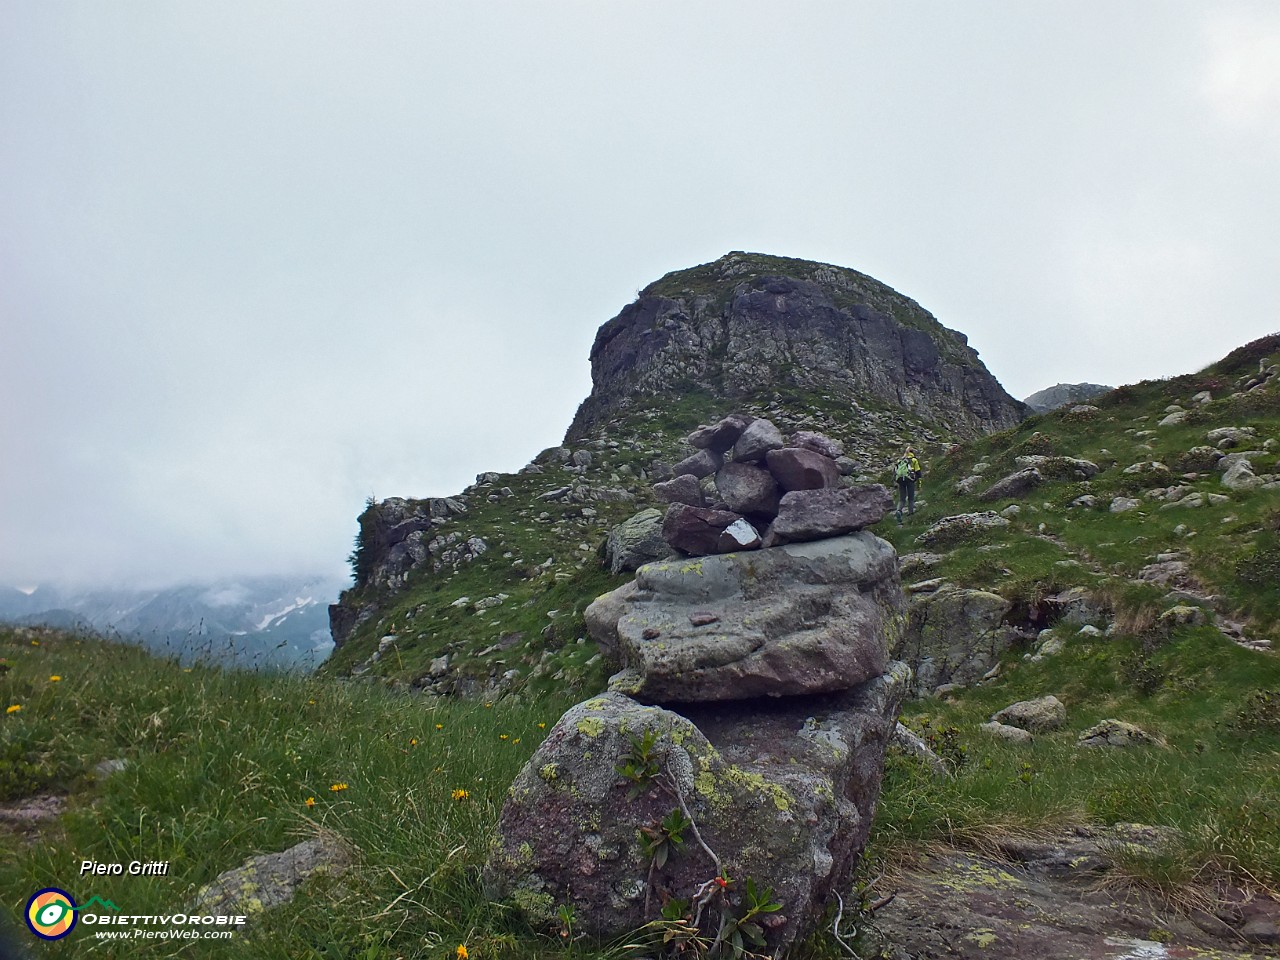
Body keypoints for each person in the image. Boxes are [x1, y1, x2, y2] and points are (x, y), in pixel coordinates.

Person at [893, 446, 922, 524]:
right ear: (912, 453)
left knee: (902, 498)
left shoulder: (900, 460)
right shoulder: (914, 460)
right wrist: (918, 482)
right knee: (911, 498)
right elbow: (918, 473)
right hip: (910, 480)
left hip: (900, 480)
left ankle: (899, 511)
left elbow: (895, 472)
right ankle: (910, 514)